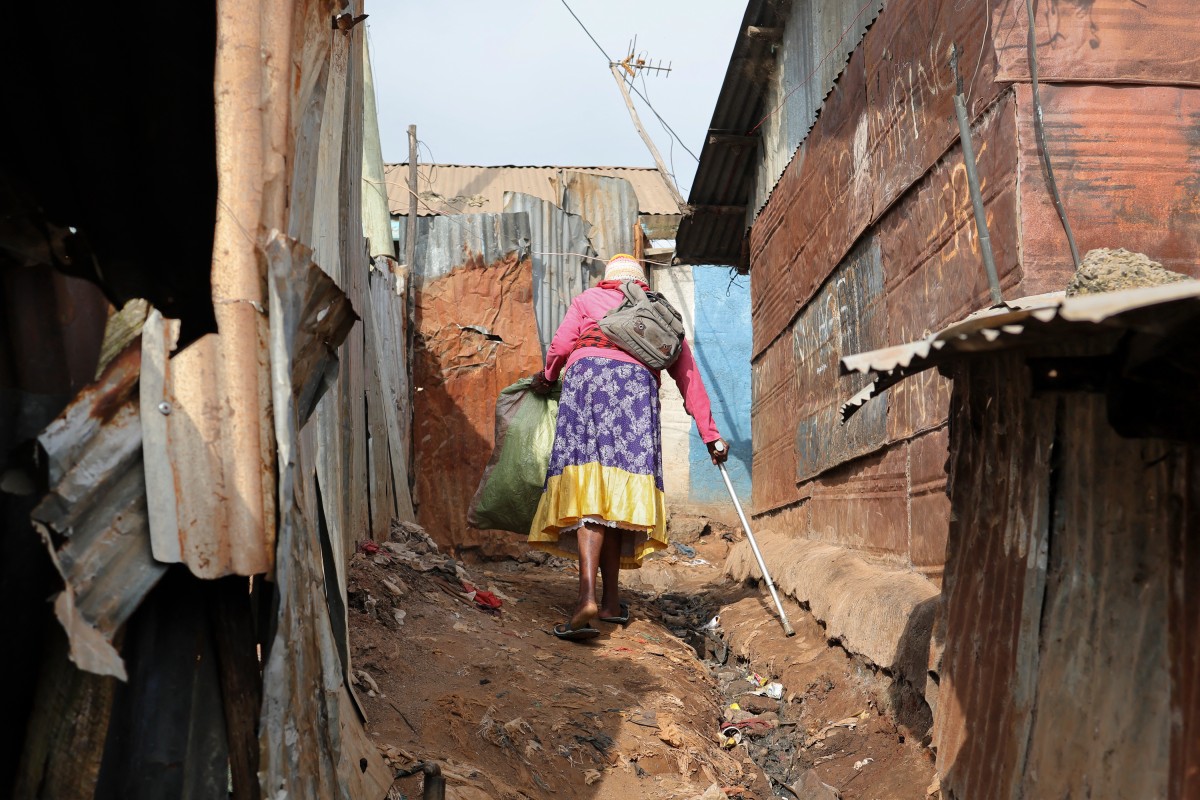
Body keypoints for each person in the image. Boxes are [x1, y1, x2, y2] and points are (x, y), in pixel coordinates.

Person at [527, 253, 728, 641]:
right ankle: (611, 602)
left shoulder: (588, 300)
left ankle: (586, 596)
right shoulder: (659, 314)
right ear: (641, 283)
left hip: (587, 385)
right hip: (635, 393)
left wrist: (547, 376)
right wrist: (710, 435)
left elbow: (561, 344)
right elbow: (688, 376)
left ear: (608, 281)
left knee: (589, 491)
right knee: (616, 494)